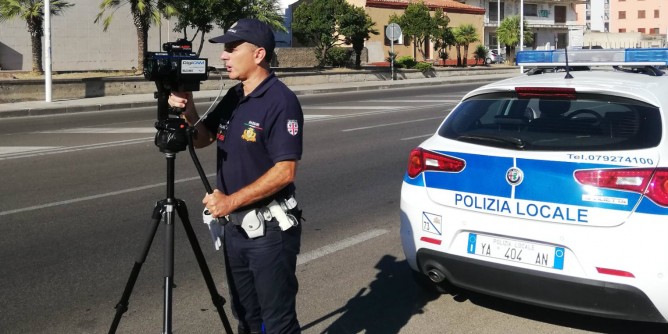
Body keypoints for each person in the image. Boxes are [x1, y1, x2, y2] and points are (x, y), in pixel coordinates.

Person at [168, 19, 303, 334]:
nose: (224, 56)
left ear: (258, 55)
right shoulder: (235, 96)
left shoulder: (280, 101)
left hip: (269, 232)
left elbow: (285, 171)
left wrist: (230, 201)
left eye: (231, 48)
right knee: (246, 318)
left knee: (278, 323)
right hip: (235, 230)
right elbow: (202, 139)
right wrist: (188, 109)